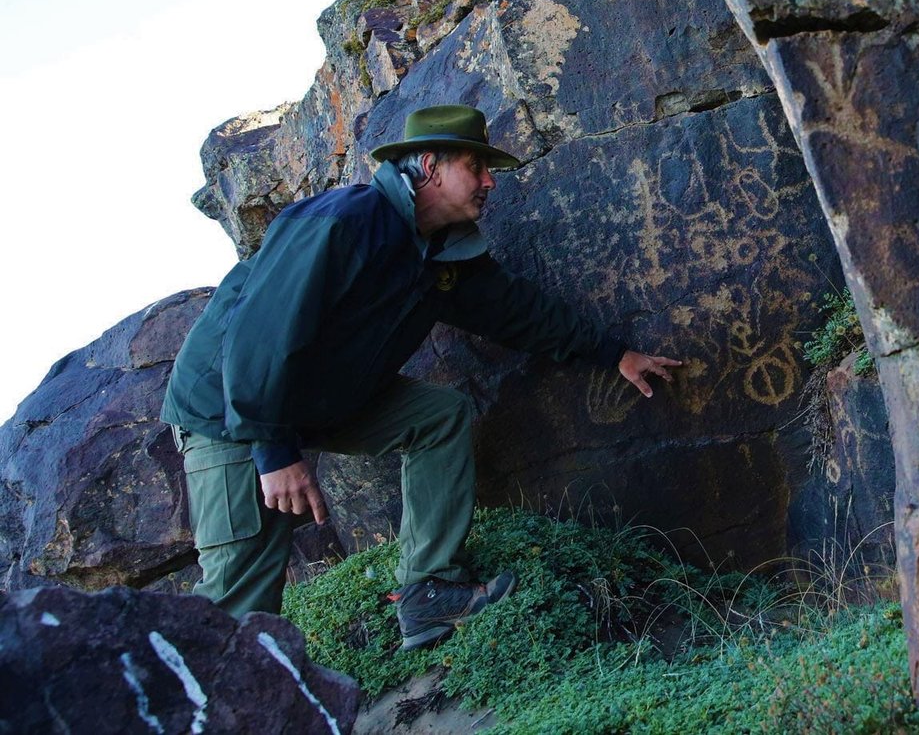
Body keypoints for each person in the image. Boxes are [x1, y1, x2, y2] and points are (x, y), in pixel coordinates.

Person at [161, 104, 680, 649]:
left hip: (317, 400)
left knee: (438, 416)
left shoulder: (442, 254)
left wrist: (611, 353)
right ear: (430, 165)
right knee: (241, 594)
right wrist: (272, 451)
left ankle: (427, 592)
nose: (489, 181)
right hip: (229, 409)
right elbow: (258, 334)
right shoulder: (344, 221)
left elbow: (516, 312)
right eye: (476, 167)